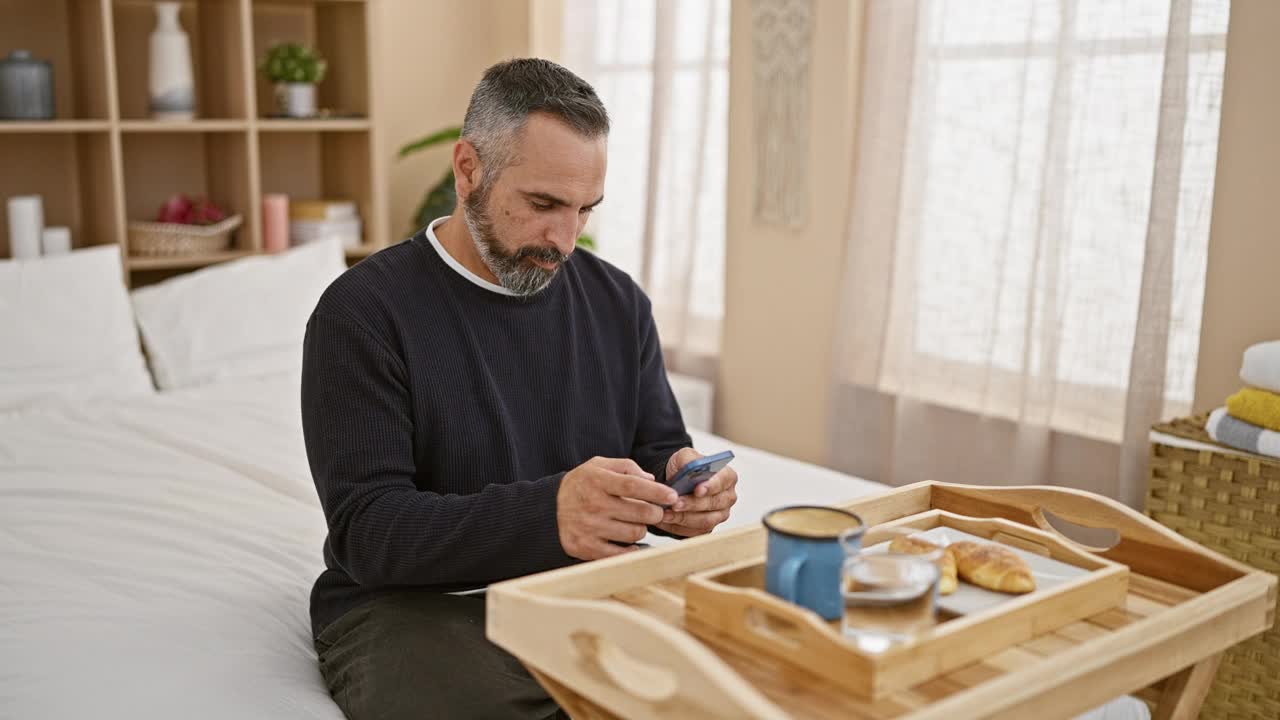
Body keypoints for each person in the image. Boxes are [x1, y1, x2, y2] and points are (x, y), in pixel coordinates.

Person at [300, 58, 739, 719]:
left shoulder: (618, 302)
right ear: (467, 168)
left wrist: (680, 488)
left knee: (738, 680)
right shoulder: (363, 314)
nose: (565, 239)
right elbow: (369, 531)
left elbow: (657, 444)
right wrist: (549, 515)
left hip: (580, 589)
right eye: (543, 205)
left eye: (584, 209)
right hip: (417, 608)